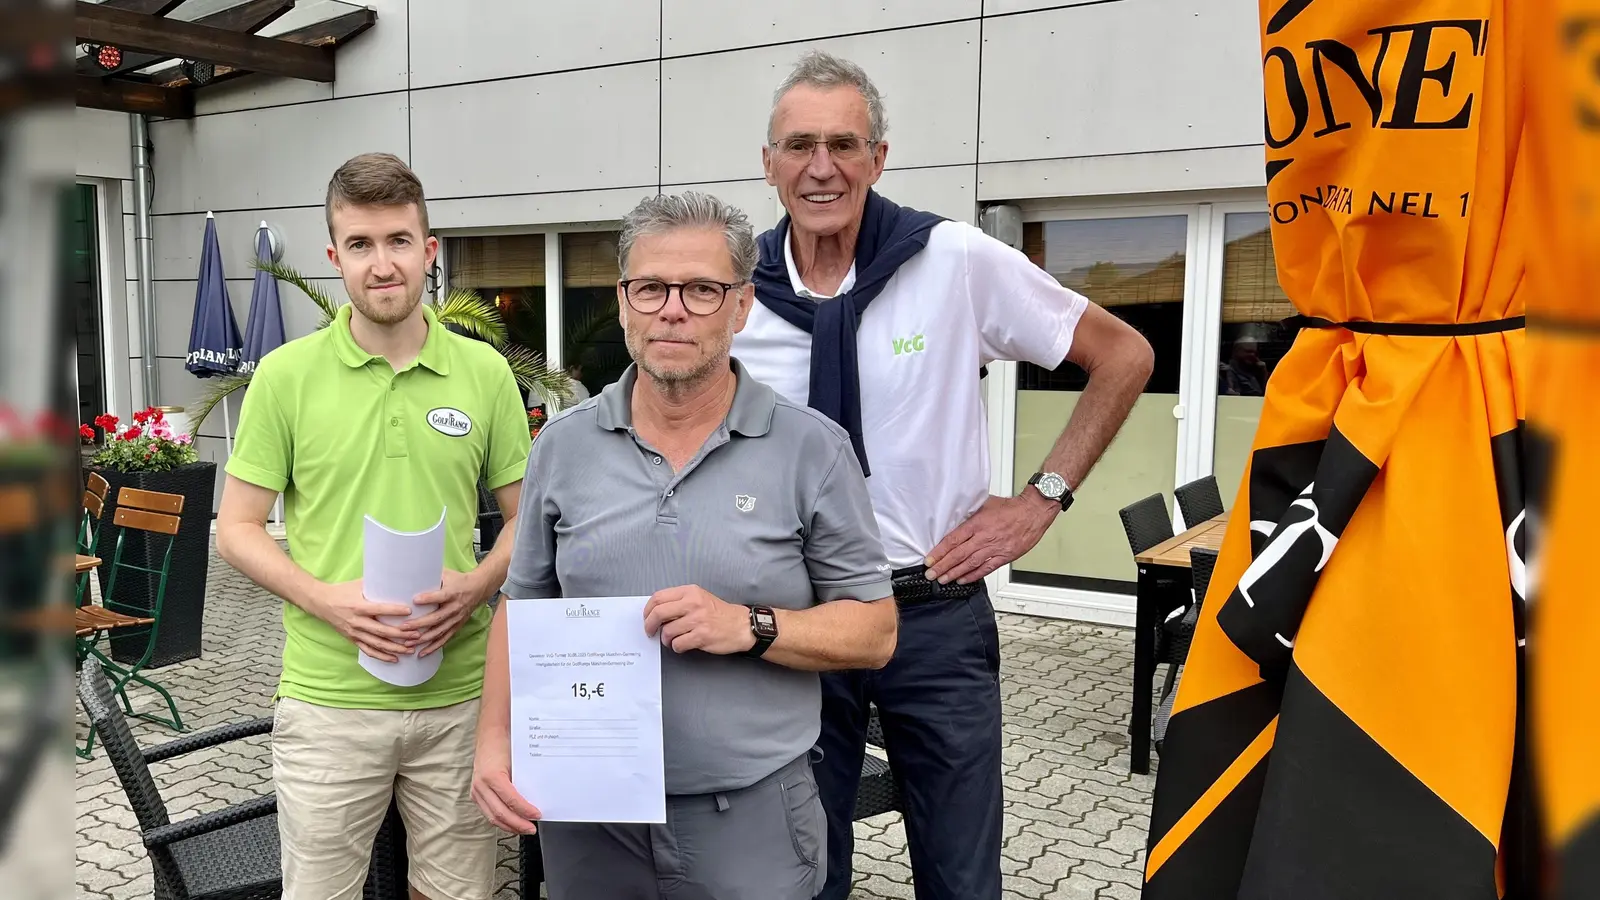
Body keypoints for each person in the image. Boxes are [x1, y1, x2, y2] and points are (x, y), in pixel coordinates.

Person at [735, 52, 1155, 900]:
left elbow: (1125, 354)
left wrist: (1041, 503)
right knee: (800, 871)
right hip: (799, 620)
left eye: (846, 145)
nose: (824, 168)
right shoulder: (737, 291)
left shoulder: (952, 259)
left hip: (933, 609)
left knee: (961, 875)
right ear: (770, 162)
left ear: (879, 158)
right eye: (801, 146)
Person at [470, 191, 899, 900]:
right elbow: (522, 609)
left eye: (701, 289)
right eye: (651, 288)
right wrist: (493, 744)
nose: (672, 308)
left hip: (752, 819)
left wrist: (750, 624)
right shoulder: (562, 447)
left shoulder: (813, 449)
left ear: (741, 306)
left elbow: (876, 631)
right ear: (623, 301)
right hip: (589, 816)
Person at [215, 152, 531, 900]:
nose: (381, 263)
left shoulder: (485, 375)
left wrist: (479, 585)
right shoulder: (285, 378)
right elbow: (236, 529)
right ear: (334, 257)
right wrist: (331, 602)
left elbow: (529, 523)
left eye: (397, 241)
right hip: (328, 699)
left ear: (429, 250)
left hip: (460, 697)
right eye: (360, 245)